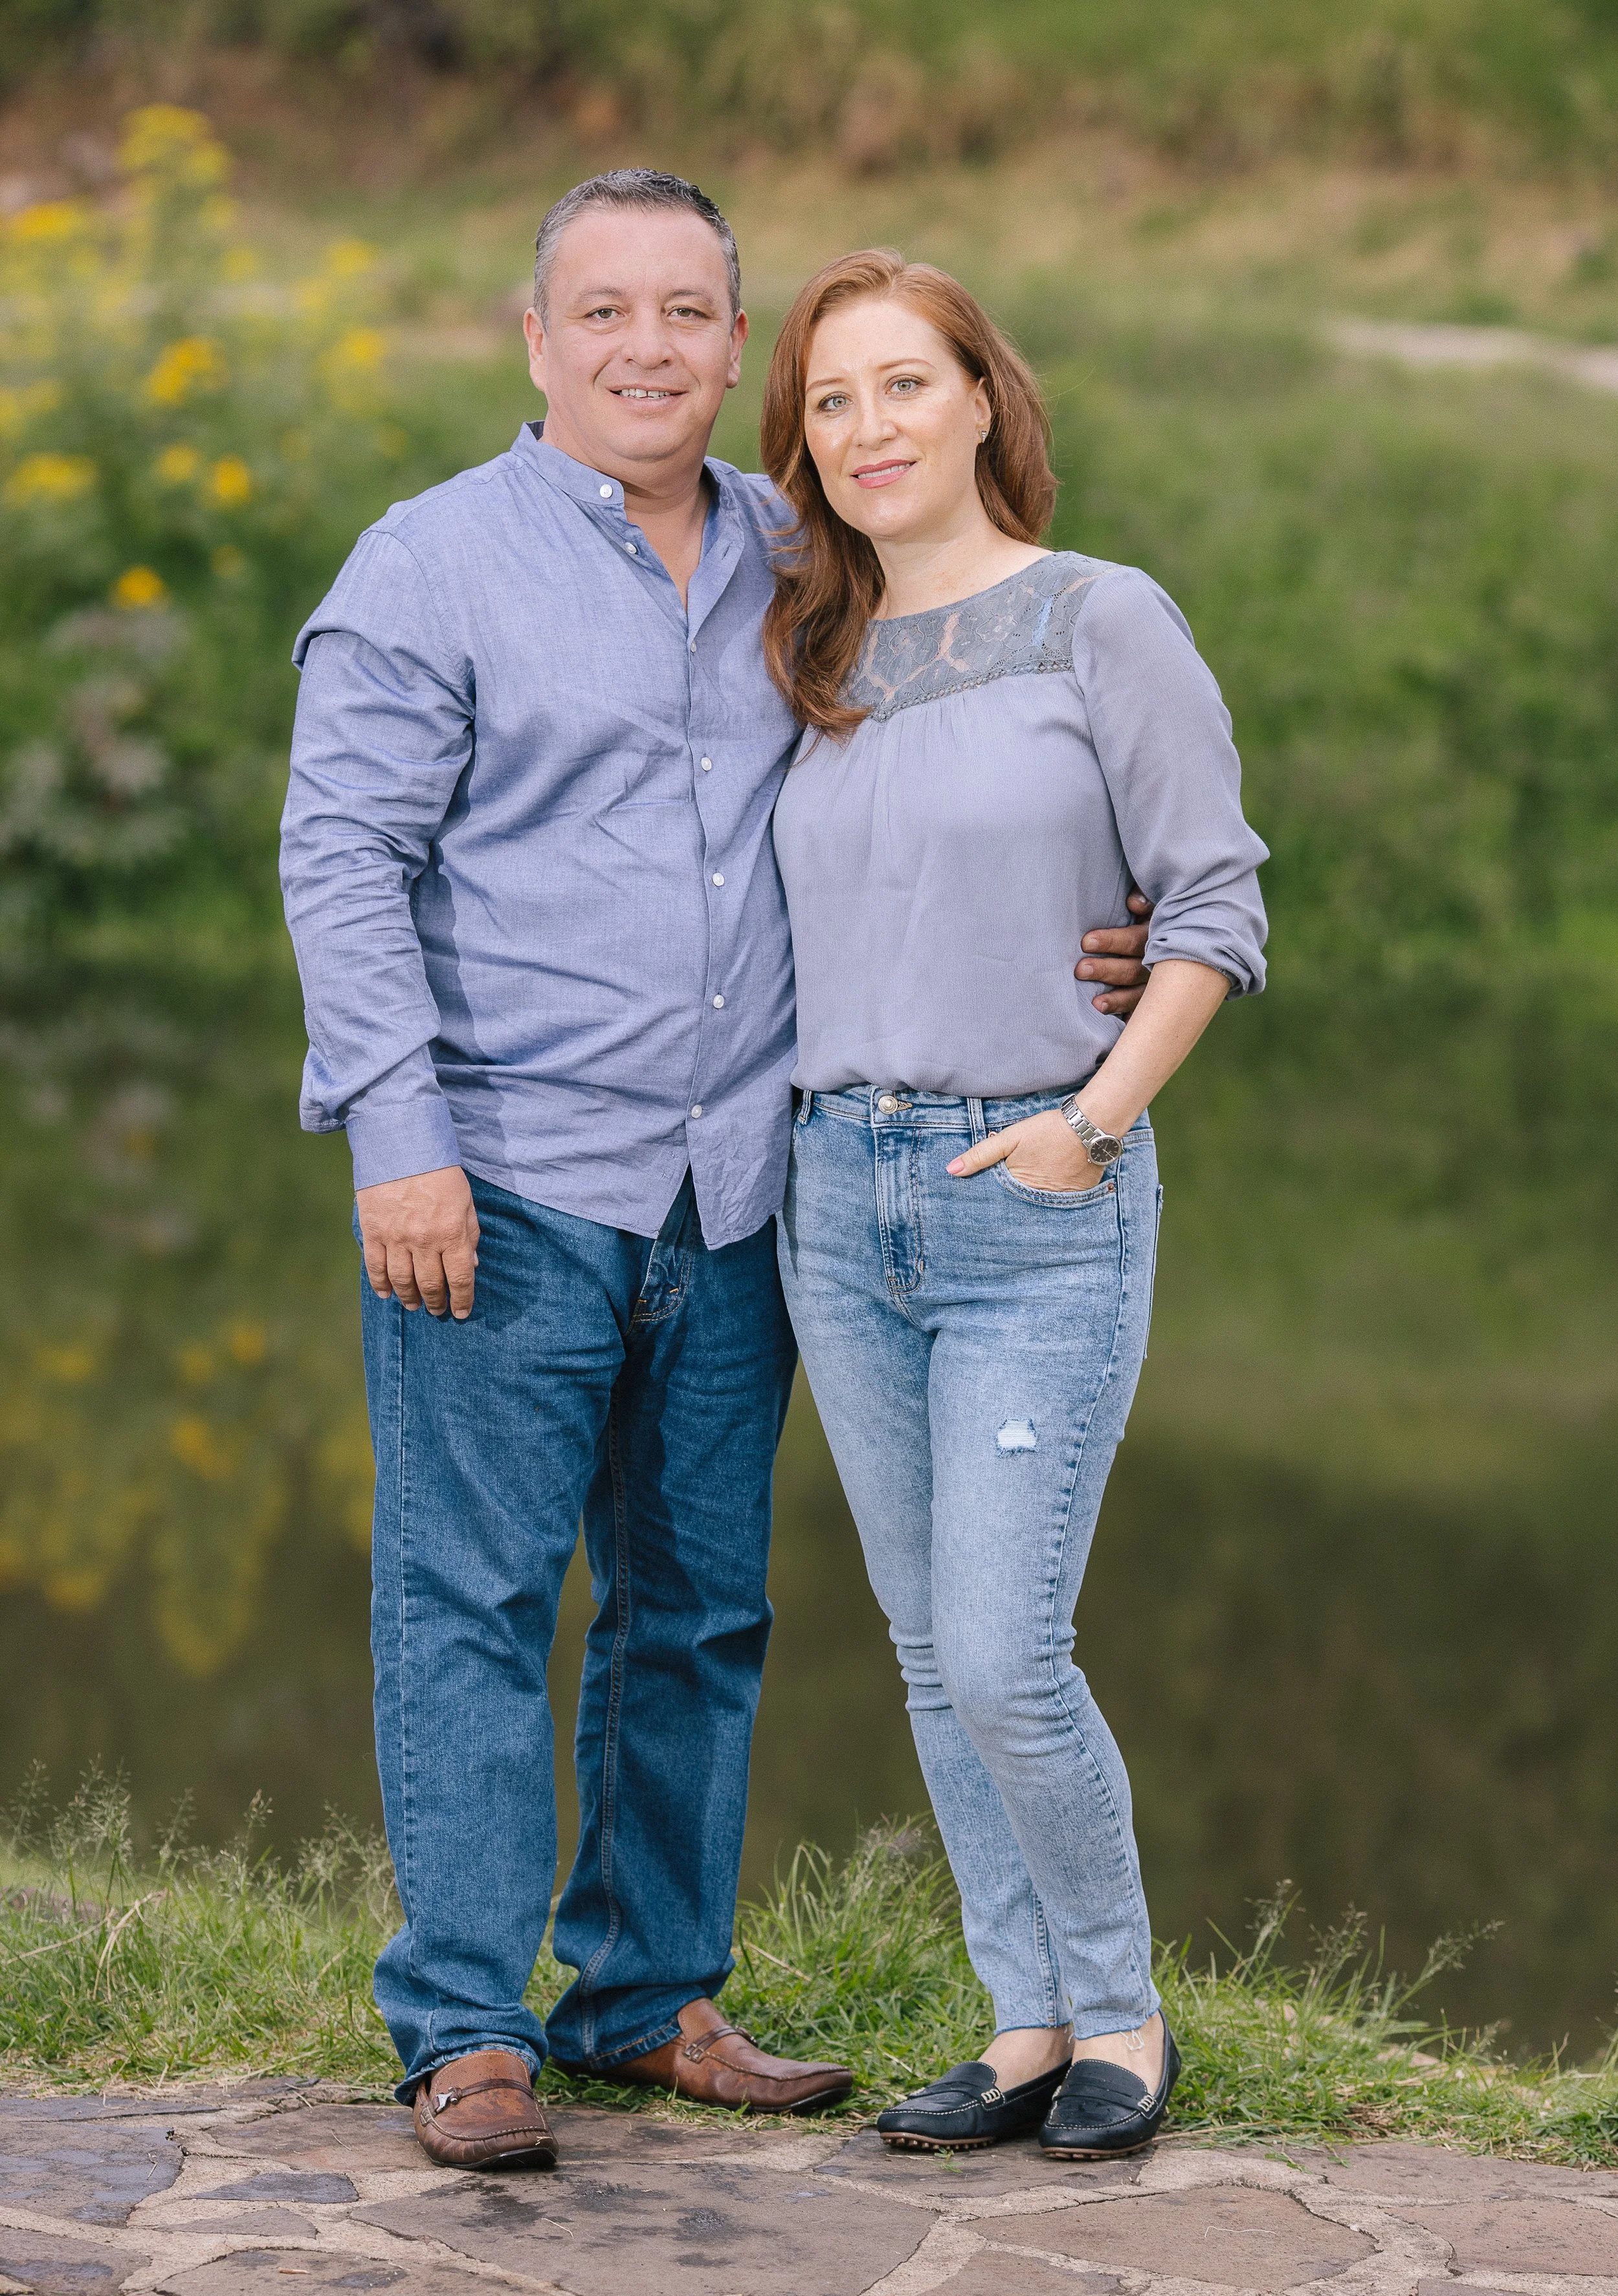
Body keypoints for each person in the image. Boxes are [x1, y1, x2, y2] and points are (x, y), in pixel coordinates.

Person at [280, 171, 1157, 2170]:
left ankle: (648, 1989)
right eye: (605, 312)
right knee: (474, 1594)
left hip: (749, 1186)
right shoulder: (432, 565)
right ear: (535, 338)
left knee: (695, 1607)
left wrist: (1092, 936)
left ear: (733, 345)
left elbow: (967, 763)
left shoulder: (806, 556)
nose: (648, 349)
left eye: (689, 314)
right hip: (497, 1178)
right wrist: (397, 1138)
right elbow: (339, 859)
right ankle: (466, 2024)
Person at [762, 250, 1268, 2158]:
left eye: (904, 385)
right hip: (836, 1189)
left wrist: (1090, 1117)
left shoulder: (1099, 620)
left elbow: (1212, 904)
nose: (869, 428)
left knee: (1001, 1643)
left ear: (984, 399)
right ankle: (1024, 2016)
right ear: (800, 443)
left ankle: (1124, 2006)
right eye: (829, 400)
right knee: (917, 1641)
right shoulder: (806, 651)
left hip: (1029, 1185)